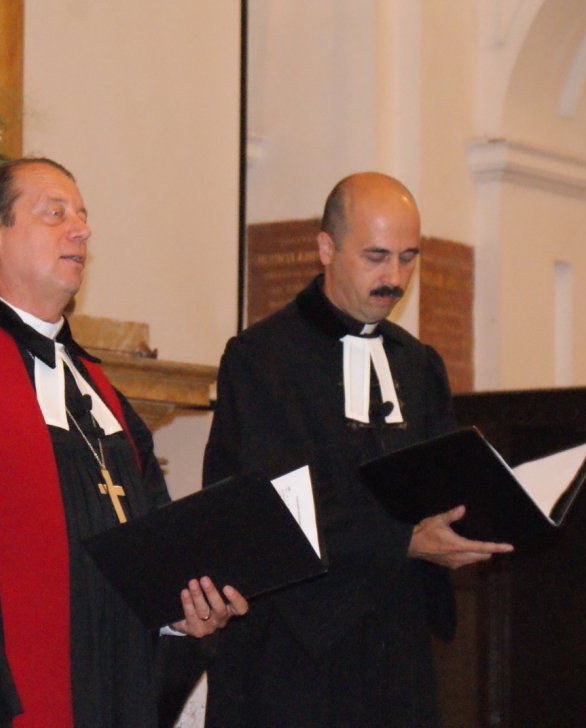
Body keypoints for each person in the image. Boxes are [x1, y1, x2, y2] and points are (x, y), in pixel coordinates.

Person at [0, 158, 248, 728]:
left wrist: (181, 619)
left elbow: (147, 557)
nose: (81, 230)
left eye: (82, 216)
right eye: (54, 214)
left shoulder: (100, 394)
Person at [202, 172, 512, 727]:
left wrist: (488, 512)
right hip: (294, 650)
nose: (394, 278)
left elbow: (440, 485)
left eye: (408, 258)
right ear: (326, 248)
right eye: (376, 257)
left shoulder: (419, 365)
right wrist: (402, 539)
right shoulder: (261, 359)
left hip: (400, 646)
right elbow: (271, 506)